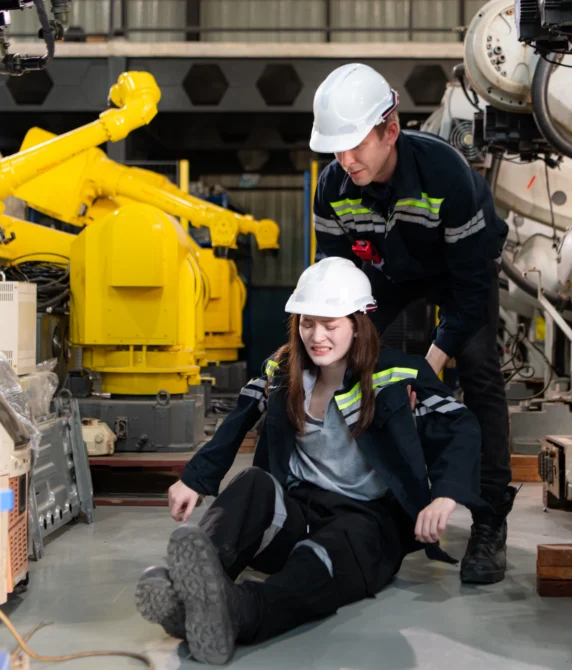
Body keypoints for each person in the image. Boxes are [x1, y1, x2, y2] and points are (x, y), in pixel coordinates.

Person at [135, 257, 486, 665]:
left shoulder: (398, 373)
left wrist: (444, 496)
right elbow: (236, 421)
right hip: (298, 512)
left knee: (322, 555)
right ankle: (187, 592)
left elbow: (460, 427)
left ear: (358, 322)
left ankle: (240, 612)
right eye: (307, 323)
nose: (316, 336)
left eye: (330, 324)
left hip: (365, 525)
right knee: (252, 483)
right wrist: (195, 479)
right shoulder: (281, 371)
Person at [308, 63, 515, 584]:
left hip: (458, 269)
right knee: (350, 361)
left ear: (391, 130)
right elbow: (339, 288)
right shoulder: (333, 189)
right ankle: (367, 499)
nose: (345, 159)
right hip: (387, 273)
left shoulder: (445, 175)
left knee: (479, 373)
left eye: (356, 144)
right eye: (336, 148)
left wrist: (428, 366)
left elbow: (469, 295)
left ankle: (489, 520)